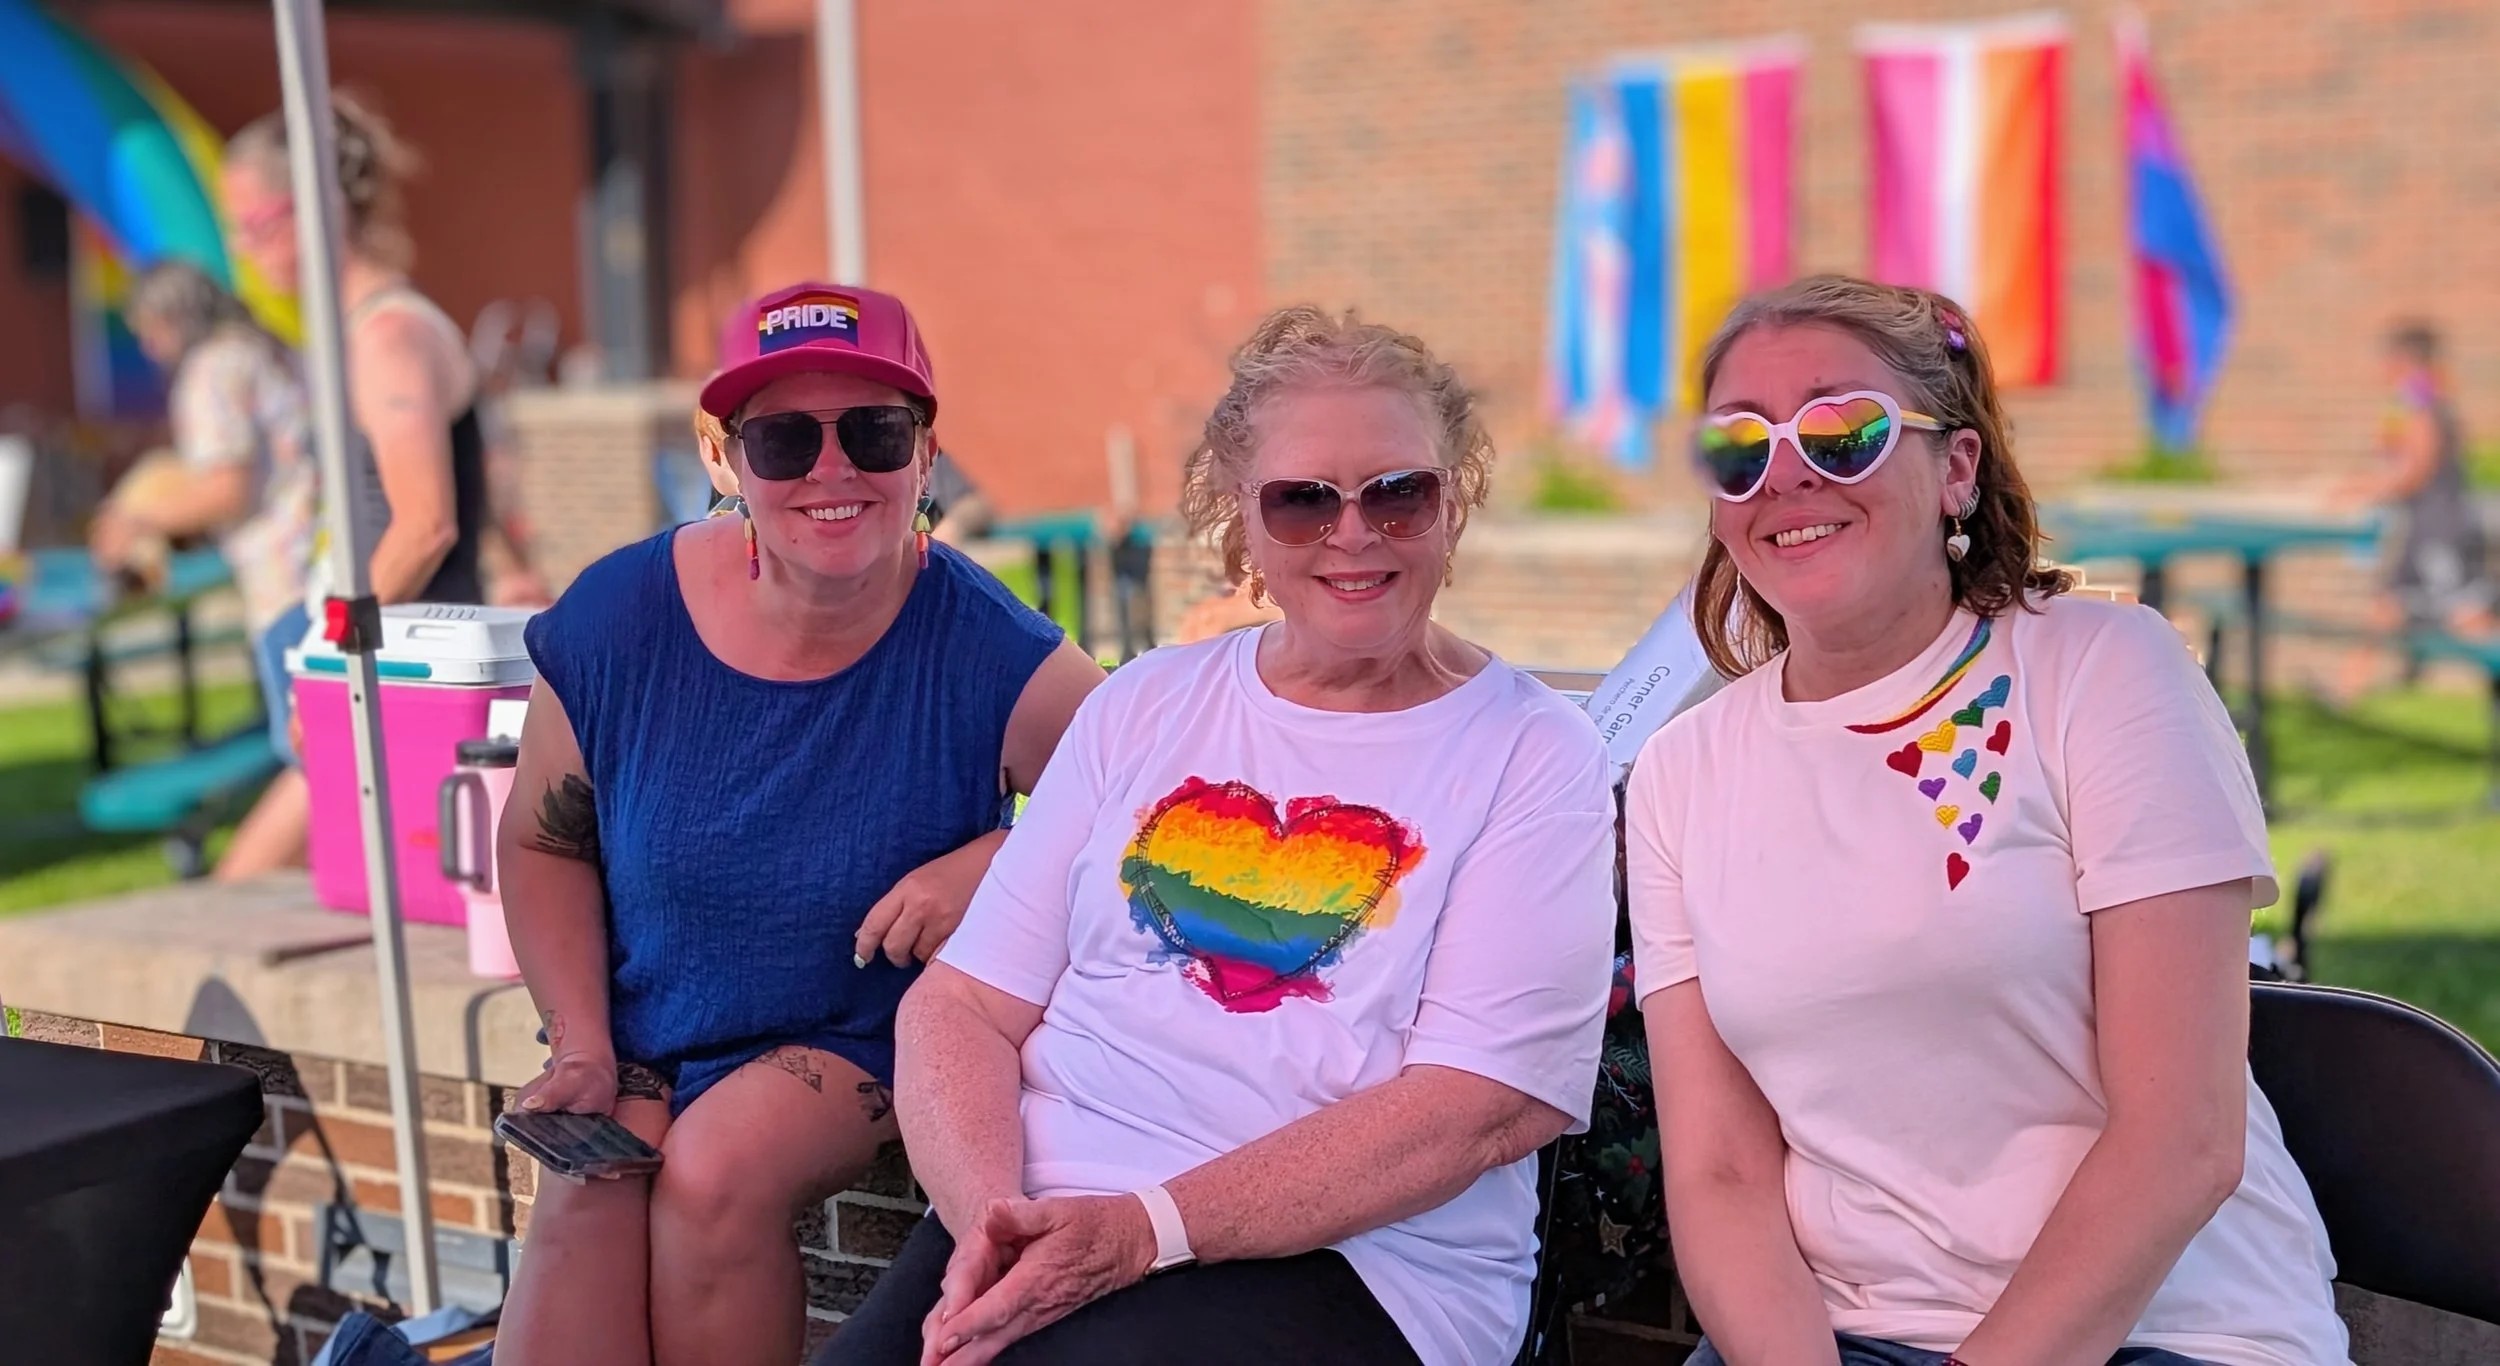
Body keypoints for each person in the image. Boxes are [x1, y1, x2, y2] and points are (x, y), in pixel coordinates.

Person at [822, 307, 1617, 1366]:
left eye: (1398, 493)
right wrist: (989, 1226)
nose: (1353, 533)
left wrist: (1136, 1232)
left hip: (1360, 1259)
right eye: (1300, 501)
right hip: (1044, 1214)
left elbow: (1476, 1109)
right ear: (1237, 518)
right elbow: (960, 1004)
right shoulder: (1146, 700)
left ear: (1451, 503)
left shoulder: (1531, 750)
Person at [1624, 275, 2348, 1366]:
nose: (1784, 475)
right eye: (1738, 446)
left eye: (1842, 432)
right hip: (1840, 1335)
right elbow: (1720, 1169)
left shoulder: (2104, 675)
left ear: (1955, 466)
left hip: (2172, 1330)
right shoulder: (1679, 770)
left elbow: (2182, 1140)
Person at [493, 281, 1102, 1366]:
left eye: (873, 431)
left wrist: (996, 857)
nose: (833, 470)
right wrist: (581, 1042)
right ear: (723, 457)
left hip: (857, 1023)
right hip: (648, 1020)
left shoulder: (991, 645)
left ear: (923, 454)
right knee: (590, 1184)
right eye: (782, 438)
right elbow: (544, 839)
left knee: (715, 1174)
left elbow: (1148, 804)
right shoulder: (619, 617)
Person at [214, 91, 494, 878]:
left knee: (241, 898)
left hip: (395, 671)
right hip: (377, 659)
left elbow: (424, 525)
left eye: (255, 224)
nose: (243, 250)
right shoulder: (360, 336)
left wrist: (332, 668)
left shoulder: (388, 337)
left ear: (315, 208)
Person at [89, 261, 317, 880]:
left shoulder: (212, 369)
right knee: (323, 759)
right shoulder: (265, 348)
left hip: (285, 585)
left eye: (149, 329)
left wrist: (133, 519)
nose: (145, 345)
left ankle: (233, 902)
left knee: (313, 765)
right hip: (321, 567)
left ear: (174, 319)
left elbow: (226, 490)